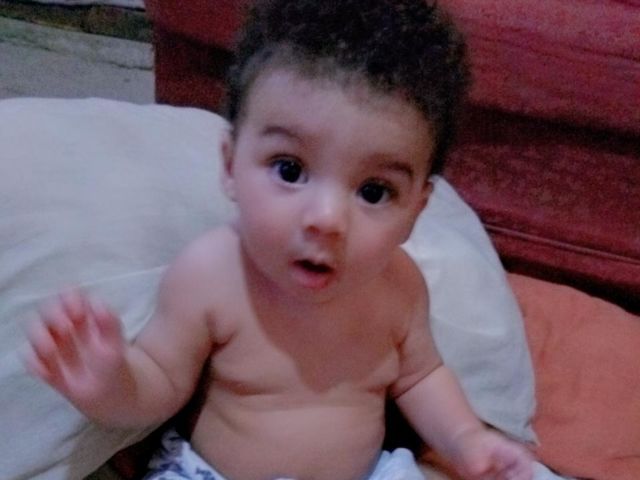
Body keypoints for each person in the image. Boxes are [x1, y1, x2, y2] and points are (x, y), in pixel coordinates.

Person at [25, 1, 533, 479]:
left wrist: (466, 439)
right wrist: (111, 383)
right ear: (230, 166)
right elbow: (161, 380)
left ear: (416, 210)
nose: (327, 219)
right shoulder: (211, 273)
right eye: (290, 170)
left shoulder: (399, 286)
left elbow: (421, 377)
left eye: (374, 192)